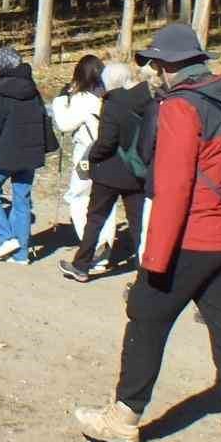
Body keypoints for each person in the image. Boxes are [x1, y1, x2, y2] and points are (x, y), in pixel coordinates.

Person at [74, 21, 221, 442]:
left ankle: (123, 420)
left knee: (146, 318)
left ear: (167, 66)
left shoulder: (182, 108)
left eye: (155, 64)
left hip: (194, 239)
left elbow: (176, 187)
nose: (152, 73)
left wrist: (153, 261)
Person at [60, 61, 152, 282]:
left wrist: (92, 157)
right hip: (137, 171)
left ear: (109, 82)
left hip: (109, 171)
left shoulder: (112, 103)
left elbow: (106, 142)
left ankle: (81, 266)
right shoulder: (148, 101)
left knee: (95, 219)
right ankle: (146, 273)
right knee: (139, 224)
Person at [0, 46, 54, 264]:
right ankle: (21, 254)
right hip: (29, 154)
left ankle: (6, 238)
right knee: (22, 199)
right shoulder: (32, 88)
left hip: (3, 155)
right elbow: (42, 119)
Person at [52, 55, 115, 263]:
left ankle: (94, 248)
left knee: (78, 198)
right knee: (105, 200)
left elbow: (64, 123)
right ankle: (105, 246)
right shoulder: (107, 96)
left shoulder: (83, 99)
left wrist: (61, 99)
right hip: (109, 153)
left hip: (86, 154)